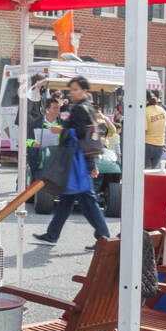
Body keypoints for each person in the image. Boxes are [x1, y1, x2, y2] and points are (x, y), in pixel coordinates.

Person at [34, 82, 111, 247]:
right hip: (83, 159)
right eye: (71, 89)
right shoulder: (88, 108)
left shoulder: (79, 108)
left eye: (75, 89)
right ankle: (52, 234)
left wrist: (60, 131)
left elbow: (79, 133)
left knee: (86, 200)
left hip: (78, 160)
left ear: (84, 91)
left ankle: (104, 237)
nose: (72, 93)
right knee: (67, 198)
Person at [144, 92, 166, 168]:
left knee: (145, 173)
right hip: (160, 145)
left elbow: (143, 130)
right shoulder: (162, 110)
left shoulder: (145, 111)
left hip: (147, 144)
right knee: (152, 171)